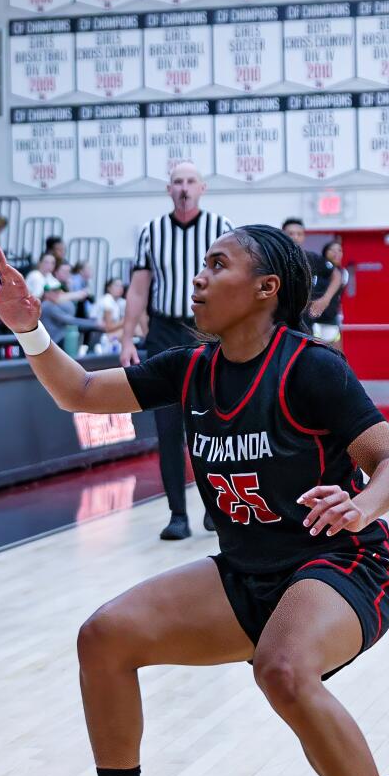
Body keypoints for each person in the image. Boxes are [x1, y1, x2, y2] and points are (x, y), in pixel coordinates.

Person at [0, 227, 389, 776]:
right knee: (103, 637)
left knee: (283, 669)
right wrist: (29, 328)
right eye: (202, 263)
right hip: (246, 572)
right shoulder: (191, 369)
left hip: (343, 562)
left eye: (219, 265)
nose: (199, 276)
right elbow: (77, 392)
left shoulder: (311, 368)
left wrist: (360, 505)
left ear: (265, 289)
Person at [121, 160, 233, 541]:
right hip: (164, 331)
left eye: (190, 181)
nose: (183, 187)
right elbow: (138, 288)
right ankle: (177, 515)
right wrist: (125, 339)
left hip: (210, 331)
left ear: (202, 188)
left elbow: (236, 286)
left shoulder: (222, 229)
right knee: (167, 427)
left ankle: (215, 509)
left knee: (214, 427)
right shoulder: (152, 232)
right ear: (168, 189)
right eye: (177, 182)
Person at [310, 239, 345, 346]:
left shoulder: (342, 273)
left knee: (335, 352)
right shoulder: (317, 269)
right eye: (332, 250)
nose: (336, 253)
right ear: (325, 252)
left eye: (339, 250)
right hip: (313, 318)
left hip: (330, 318)